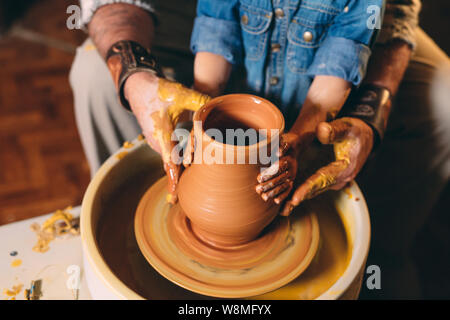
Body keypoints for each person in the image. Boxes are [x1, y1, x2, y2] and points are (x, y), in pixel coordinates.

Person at [70, 0, 450, 298]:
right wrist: (202, 118)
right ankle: (119, 255)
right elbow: (215, 34)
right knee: (91, 72)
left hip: (317, 79)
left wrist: (301, 137)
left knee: (444, 100)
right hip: (185, 20)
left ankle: (383, 260)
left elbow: (341, 61)